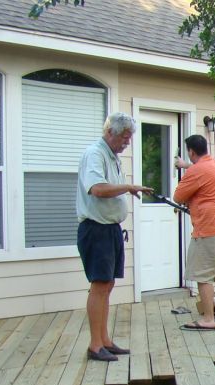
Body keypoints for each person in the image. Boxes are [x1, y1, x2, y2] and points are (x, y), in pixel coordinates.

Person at [77, 112, 153, 362]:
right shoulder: (95, 154)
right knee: (99, 285)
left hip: (109, 229)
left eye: (129, 139)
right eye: (124, 138)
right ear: (110, 132)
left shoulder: (112, 156)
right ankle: (95, 346)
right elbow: (97, 188)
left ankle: (105, 341)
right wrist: (129, 187)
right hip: (95, 228)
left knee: (107, 285)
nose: (127, 143)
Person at [173, 134, 215, 330]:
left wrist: (187, 170)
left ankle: (208, 319)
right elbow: (203, 173)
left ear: (191, 151)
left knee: (203, 275)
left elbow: (178, 196)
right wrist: (186, 166)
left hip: (208, 231)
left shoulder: (196, 171)